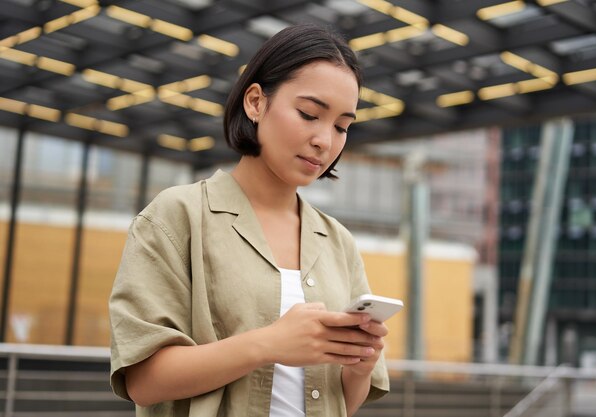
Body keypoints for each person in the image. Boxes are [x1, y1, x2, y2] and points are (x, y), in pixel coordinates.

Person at [109, 24, 390, 417]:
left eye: (342, 126)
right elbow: (143, 381)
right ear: (256, 102)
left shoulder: (337, 241)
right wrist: (269, 343)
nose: (325, 140)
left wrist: (360, 366)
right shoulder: (178, 216)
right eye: (310, 114)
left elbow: (342, 399)